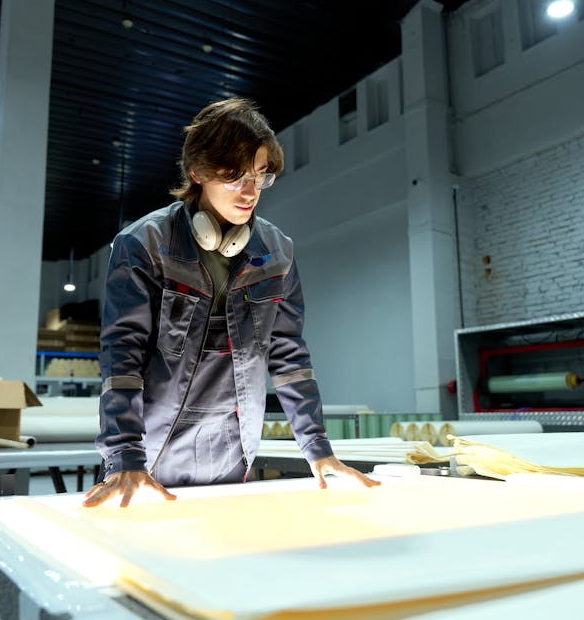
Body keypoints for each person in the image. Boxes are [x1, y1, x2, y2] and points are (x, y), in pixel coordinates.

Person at [84, 97, 379, 508]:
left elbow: (289, 356)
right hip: (147, 453)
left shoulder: (278, 252)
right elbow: (122, 357)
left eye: (260, 176)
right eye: (234, 175)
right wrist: (124, 455)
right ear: (197, 172)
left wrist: (317, 447)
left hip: (233, 451)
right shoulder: (145, 244)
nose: (250, 191)